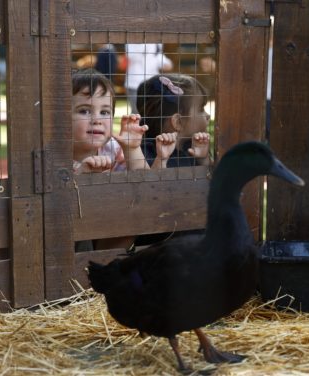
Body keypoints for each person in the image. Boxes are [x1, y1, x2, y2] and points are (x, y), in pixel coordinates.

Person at [72, 68, 176, 251]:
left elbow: (146, 187)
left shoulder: (112, 148)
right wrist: (82, 175)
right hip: (71, 237)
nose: (96, 119)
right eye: (84, 111)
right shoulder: (55, 156)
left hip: (107, 233)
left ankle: (106, 265)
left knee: (133, 213)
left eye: (105, 112)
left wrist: (132, 148)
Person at [136, 74, 211, 168]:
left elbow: (210, 179)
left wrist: (204, 159)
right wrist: (161, 161)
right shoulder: (144, 155)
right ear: (178, 122)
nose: (208, 115)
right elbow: (153, 181)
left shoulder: (194, 147)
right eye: (201, 109)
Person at [124, 43, 173, 114]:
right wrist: (144, 45)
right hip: (134, 83)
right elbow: (132, 57)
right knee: (137, 112)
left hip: (152, 84)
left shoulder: (156, 42)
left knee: (152, 111)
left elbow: (157, 55)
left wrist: (165, 62)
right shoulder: (132, 40)